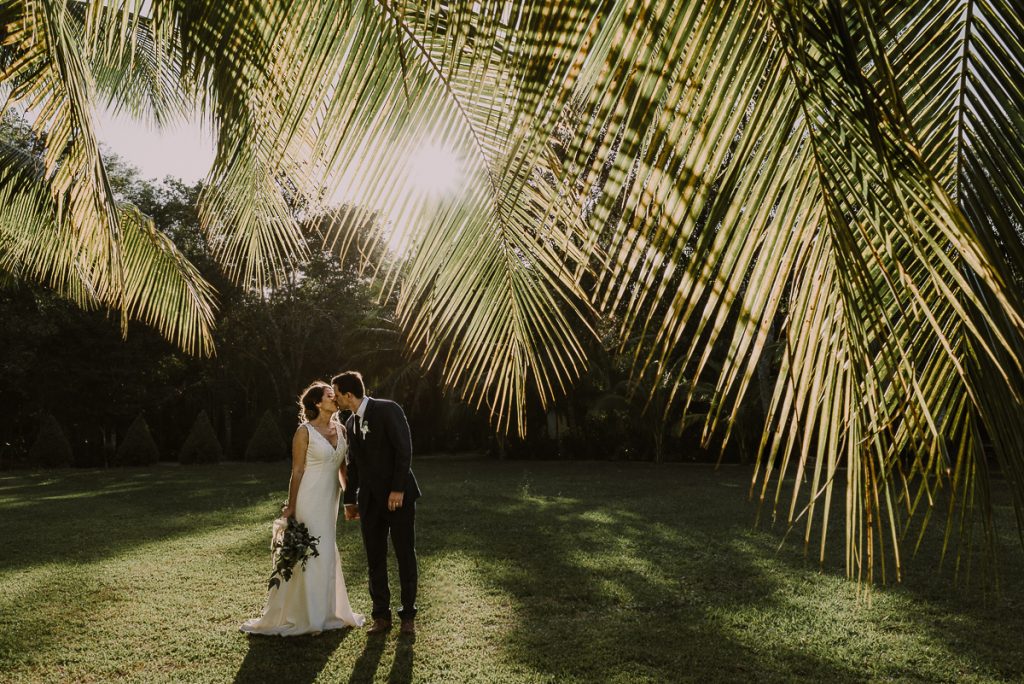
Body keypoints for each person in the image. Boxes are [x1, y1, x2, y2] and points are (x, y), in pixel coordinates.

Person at [241, 382, 364, 636]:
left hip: (330, 499)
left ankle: (328, 611)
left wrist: (350, 500)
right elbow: (297, 471)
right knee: (309, 552)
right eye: (330, 396)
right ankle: (308, 616)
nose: (336, 398)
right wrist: (292, 506)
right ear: (317, 403)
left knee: (326, 551)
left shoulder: (342, 429)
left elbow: (343, 469)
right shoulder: (304, 432)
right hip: (309, 498)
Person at [332, 371, 421, 635]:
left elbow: (404, 450)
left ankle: (408, 616)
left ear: (349, 394)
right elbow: (353, 465)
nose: (335, 399)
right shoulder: (349, 424)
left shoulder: (387, 409)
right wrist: (350, 501)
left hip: (399, 498)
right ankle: (381, 616)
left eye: (336, 394)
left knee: (405, 554)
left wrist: (397, 489)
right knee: (375, 558)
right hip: (369, 502)